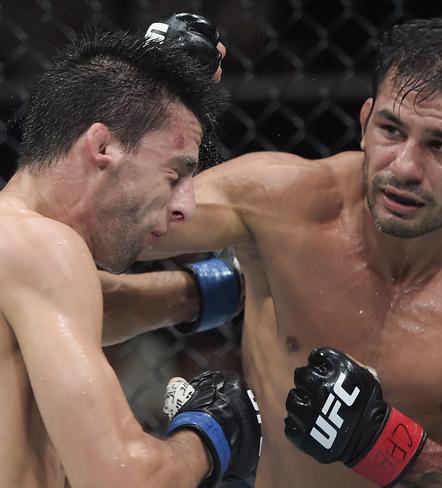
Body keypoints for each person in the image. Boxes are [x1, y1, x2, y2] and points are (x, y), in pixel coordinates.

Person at [103, 17, 442, 487]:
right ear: (364, 121)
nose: (406, 166)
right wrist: (149, 104)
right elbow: (90, 219)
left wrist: (382, 446)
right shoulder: (281, 201)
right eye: (391, 130)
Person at [0, 14, 261, 488]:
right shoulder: (43, 249)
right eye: (176, 174)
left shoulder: (17, 250)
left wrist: (227, 289)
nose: (187, 205)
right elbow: (121, 479)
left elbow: (104, 303)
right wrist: (212, 432)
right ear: (103, 145)